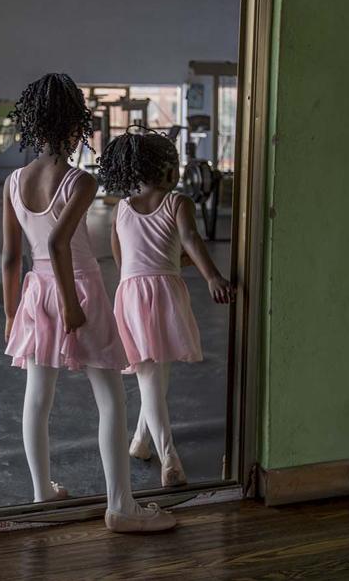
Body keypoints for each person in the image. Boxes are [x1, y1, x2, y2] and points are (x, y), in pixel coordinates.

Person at [3, 74, 176, 533]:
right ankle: (122, 507)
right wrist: (73, 305)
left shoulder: (14, 181)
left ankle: (41, 493)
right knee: (111, 398)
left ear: (33, 126)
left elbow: (10, 257)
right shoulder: (78, 181)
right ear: (77, 126)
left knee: (37, 397)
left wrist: (8, 313)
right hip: (76, 287)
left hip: (36, 290)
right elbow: (60, 243)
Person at [99, 127, 234, 487]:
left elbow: (125, 259)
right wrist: (212, 276)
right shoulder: (178, 202)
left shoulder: (122, 210)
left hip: (130, 295)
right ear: (165, 168)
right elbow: (190, 241)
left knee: (153, 376)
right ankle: (169, 458)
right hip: (165, 294)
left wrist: (162, 268)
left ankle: (141, 442)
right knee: (154, 377)